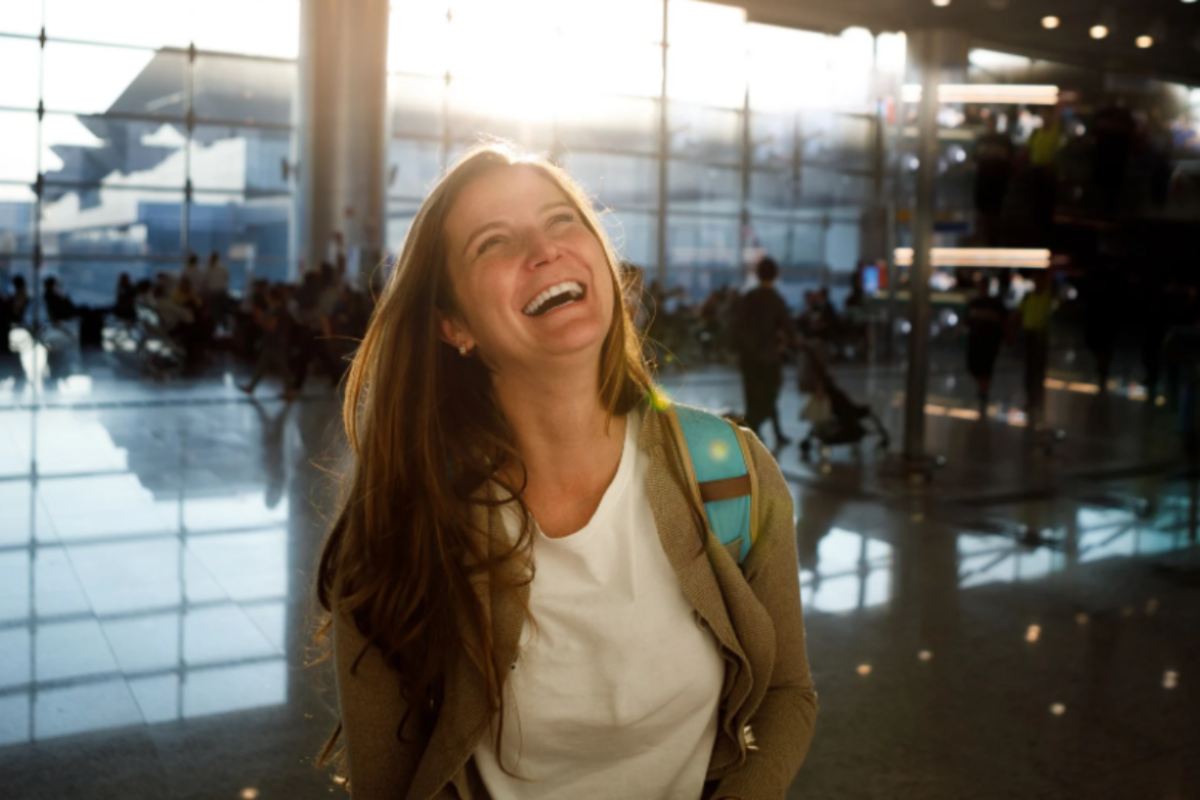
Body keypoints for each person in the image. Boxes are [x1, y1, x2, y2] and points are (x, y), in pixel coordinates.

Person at [314, 145, 817, 799]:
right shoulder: (403, 525)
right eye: (494, 242)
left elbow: (786, 693)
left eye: (562, 221)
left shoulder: (730, 475)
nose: (544, 249)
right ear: (453, 324)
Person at [735, 257, 794, 446]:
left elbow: (737, 325)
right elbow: (788, 327)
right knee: (770, 394)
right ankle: (762, 428)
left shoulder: (749, 297)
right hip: (769, 356)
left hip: (748, 357)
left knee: (752, 395)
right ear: (776, 275)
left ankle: (755, 430)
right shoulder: (775, 299)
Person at [964, 277, 1007, 412]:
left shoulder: (995, 303)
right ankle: (982, 387)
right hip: (976, 340)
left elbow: (1003, 321)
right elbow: (967, 320)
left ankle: (983, 390)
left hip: (989, 341)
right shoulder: (975, 302)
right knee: (974, 366)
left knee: (986, 367)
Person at [1019, 272, 1055, 422]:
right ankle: (1030, 399)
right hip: (1029, 335)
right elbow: (1020, 314)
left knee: (1038, 371)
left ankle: (1038, 400)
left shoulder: (1047, 297)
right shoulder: (1028, 296)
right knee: (1029, 370)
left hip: (1041, 336)